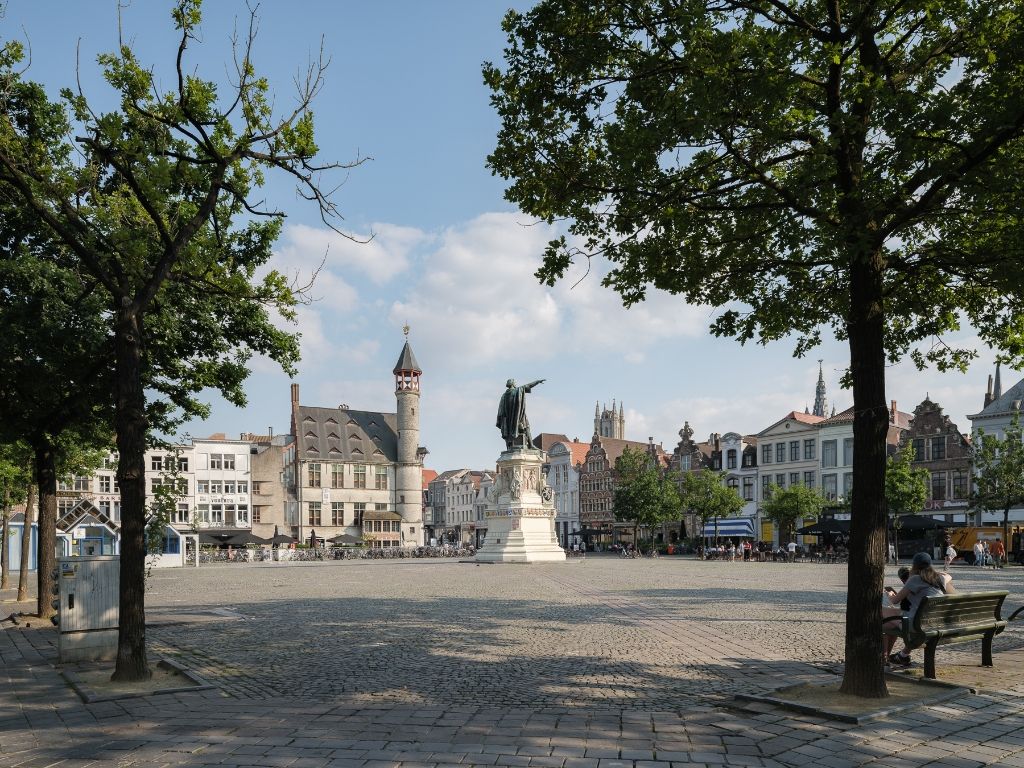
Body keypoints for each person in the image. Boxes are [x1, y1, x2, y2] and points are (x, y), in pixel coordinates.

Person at [883, 552, 955, 666]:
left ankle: (884, 657)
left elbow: (895, 601)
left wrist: (889, 594)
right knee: (890, 620)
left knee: (882, 614)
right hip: (936, 622)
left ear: (914, 565)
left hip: (918, 625)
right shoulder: (939, 578)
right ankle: (899, 656)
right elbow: (947, 576)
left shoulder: (915, 579)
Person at [496, 378, 545, 449]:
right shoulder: (517, 390)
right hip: (518, 416)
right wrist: (537, 382)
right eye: (514, 382)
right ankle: (531, 445)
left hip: (508, 419)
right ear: (512, 384)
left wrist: (501, 420)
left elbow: (501, 410)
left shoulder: (504, 396)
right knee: (526, 427)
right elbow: (528, 385)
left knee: (510, 431)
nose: (515, 383)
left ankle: (509, 447)